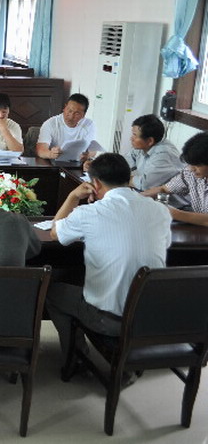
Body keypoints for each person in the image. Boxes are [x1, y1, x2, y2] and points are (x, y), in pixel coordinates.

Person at [46, 153, 171, 373]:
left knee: (52, 292)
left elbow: (55, 232)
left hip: (111, 321)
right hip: (149, 316)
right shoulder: (160, 210)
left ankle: (75, 360)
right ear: (129, 178)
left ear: (95, 183)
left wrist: (73, 197)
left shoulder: (89, 213)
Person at [142, 131, 208, 227]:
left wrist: (174, 213)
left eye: (197, 165)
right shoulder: (190, 173)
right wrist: (138, 197)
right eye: (190, 164)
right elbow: (164, 189)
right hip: (199, 229)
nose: (192, 169)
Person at [123, 114, 182, 190]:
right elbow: (127, 160)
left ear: (150, 141)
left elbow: (144, 184)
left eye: (135, 135)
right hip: (152, 192)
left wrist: (123, 178)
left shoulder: (163, 155)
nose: (131, 138)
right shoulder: (143, 146)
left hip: (168, 196)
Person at [36, 94, 98, 161]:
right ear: (64, 108)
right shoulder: (50, 123)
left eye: (77, 113)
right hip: (54, 163)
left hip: (78, 163)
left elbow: (93, 150)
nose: (71, 116)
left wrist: (88, 155)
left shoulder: (89, 125)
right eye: (69, 110)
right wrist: (50, 154)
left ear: (83, 115)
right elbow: (40, 150)